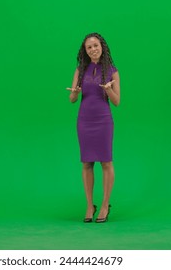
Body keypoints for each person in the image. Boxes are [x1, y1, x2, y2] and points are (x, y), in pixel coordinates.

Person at [66, 32, 120, 223]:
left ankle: (105, 205)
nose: (93, 49)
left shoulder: (112, 71)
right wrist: (75, 92)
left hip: (103, 121)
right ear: (85, 51)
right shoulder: (80, 70)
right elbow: (72, 100)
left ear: (102, 47)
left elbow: (117, 102)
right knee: (87, 163)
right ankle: (90, 205)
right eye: (89, 47)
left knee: (106, 162)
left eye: (96, 45)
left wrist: (108, 89)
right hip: (84, 121)